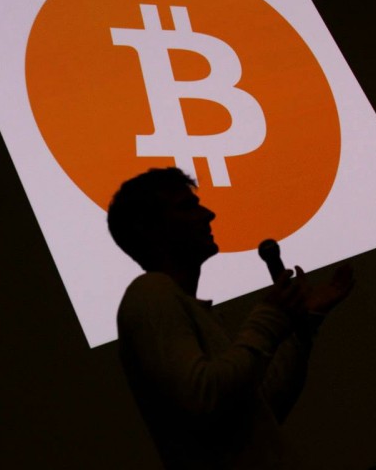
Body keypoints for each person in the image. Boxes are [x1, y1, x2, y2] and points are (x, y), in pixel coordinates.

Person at [107, 166, 354, 469]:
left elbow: (259, 408)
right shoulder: (150, 292)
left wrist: (302, 325)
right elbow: (203, 397)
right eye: (187, 207)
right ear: (148, 227)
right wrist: (269, 317)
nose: (208, 215)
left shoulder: (181, 304)